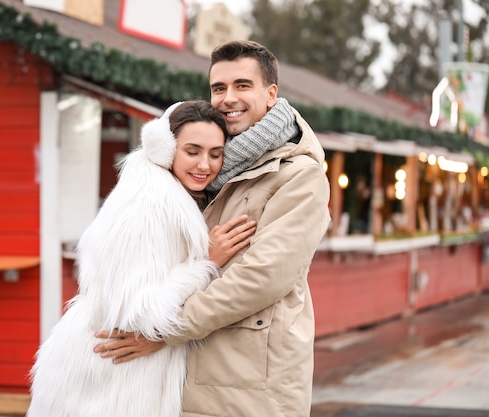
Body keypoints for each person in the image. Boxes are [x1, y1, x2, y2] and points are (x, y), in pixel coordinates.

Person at [94, 40, 331, 417]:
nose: (228, 98)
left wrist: (164, 330)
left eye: (242, 85)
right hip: (189, 376)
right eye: (218, 88)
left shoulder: (299, 176)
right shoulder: (209, 166)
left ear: (271, 95)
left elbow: (262, 278)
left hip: (252, 384)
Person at [26, 100, 256, 417]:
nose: (205, 165)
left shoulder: (174, 195)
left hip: (128, 369)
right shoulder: (147, 202)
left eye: (215, 154)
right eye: (192, 151)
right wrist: (205, 264)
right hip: (109, 373)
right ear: (166, 148)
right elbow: (139, 310)